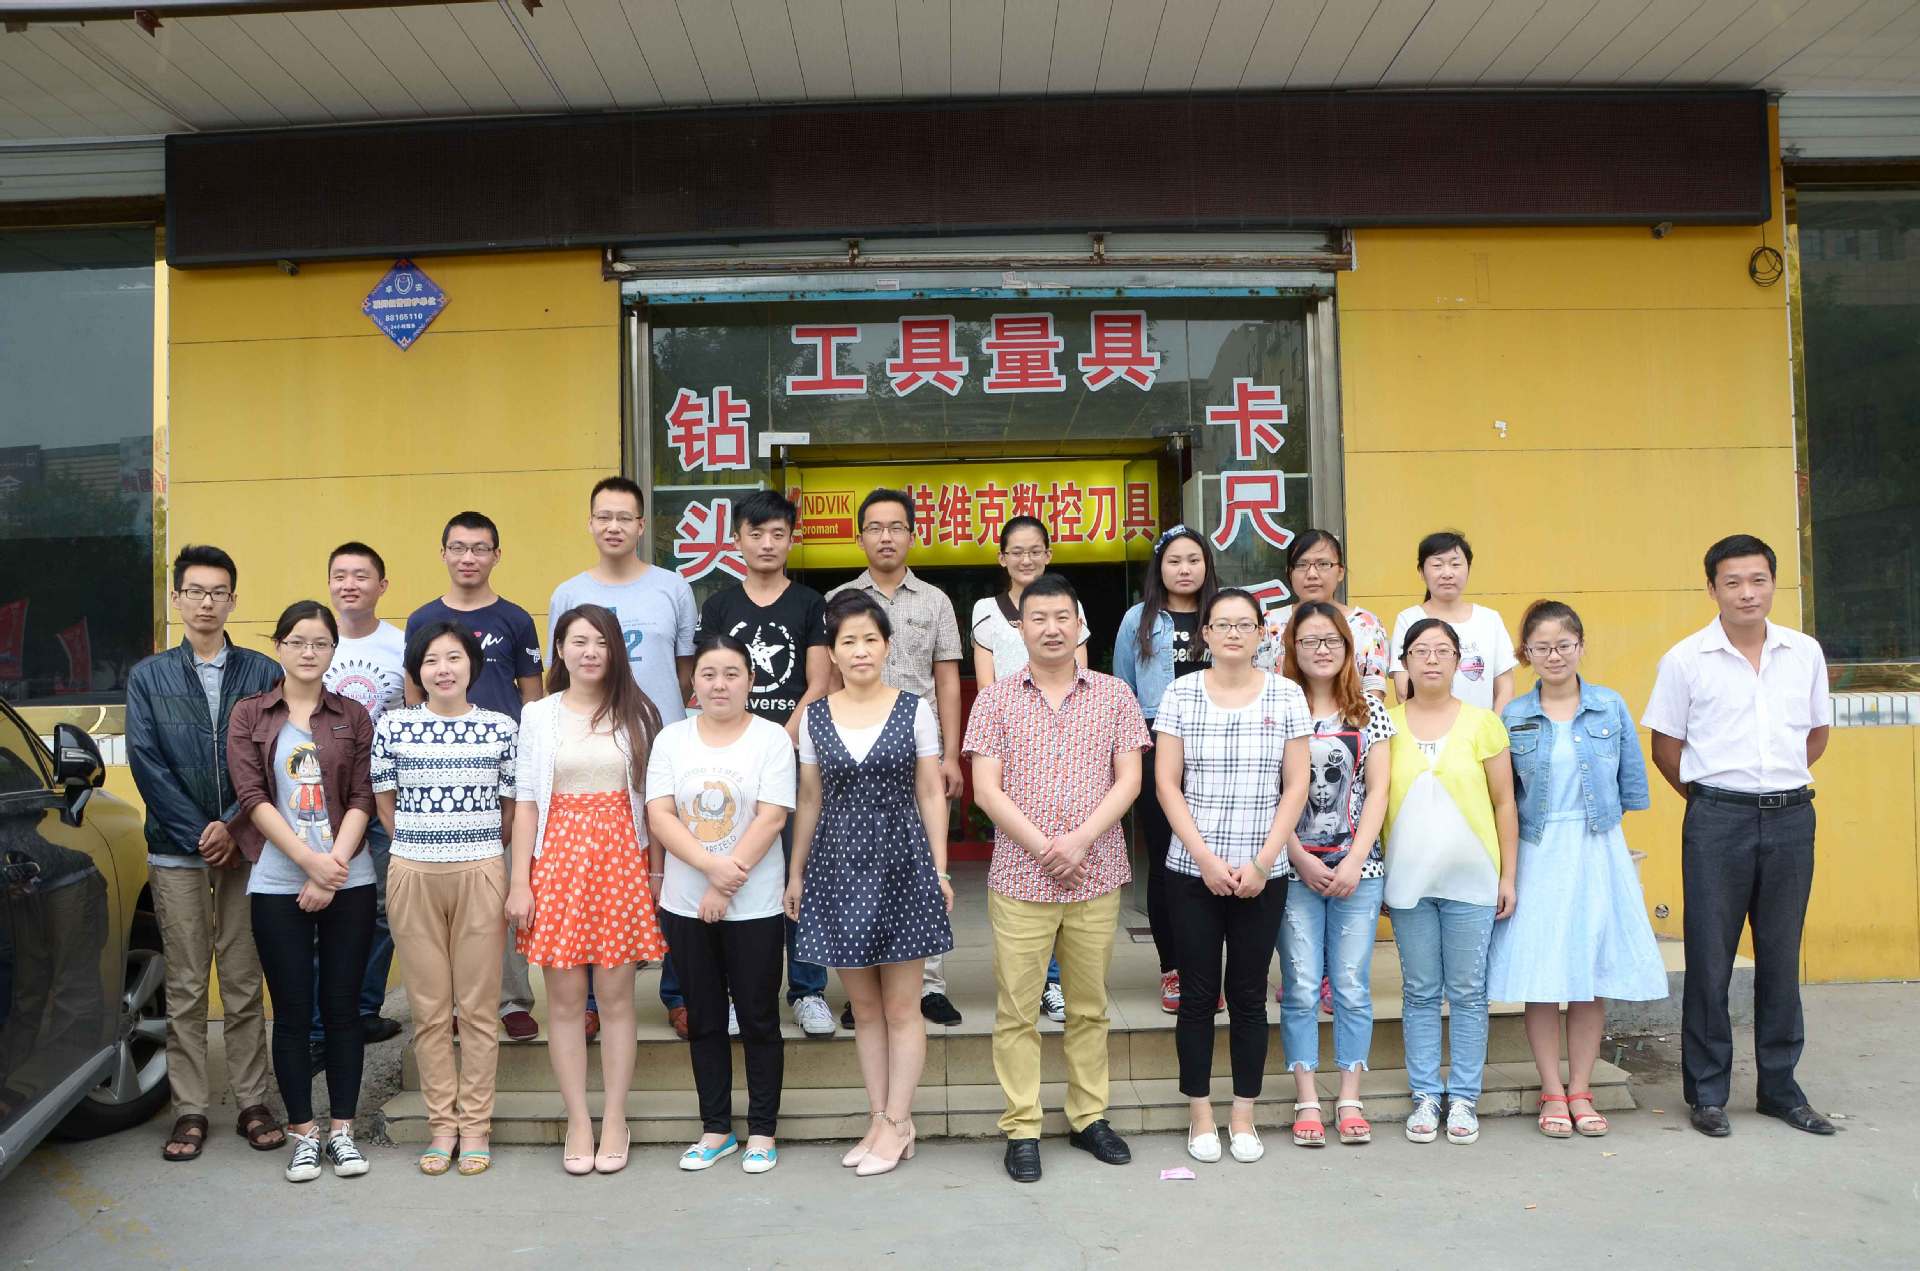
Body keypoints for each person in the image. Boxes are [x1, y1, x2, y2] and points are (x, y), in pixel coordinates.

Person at [1643, 534, 1835, 1139]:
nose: (1747, 593)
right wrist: (1714, 799)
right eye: (1733, 582)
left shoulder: (1804, 653)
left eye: (1758, 580)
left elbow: (1817, 735)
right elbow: (1666, 747)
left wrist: (1771, 788)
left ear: (1773, 583)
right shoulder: (1685, 660)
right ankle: (1706, 1093)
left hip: (1790, 818)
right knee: (1709, 958)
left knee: (1781, 955)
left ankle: (1780, 1089)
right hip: (1716, 821)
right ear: (1712, 589)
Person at [964, 573, 1147, 1183]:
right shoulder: (995, 700)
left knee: (1089, 1008)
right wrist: (1046, 848)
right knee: (1017, 1011)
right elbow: (986, 790)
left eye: (1062, 617)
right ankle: (1022, 1127)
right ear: (1019, 628)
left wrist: (1080, 841)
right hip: (1022, 877)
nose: (1051, 628)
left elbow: (1129, 780)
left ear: (1080, 624)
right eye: (1038, 618)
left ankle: (1088, 1117)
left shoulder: (1115, 695)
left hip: (1096, 874)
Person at [786, 591, 954, 1176]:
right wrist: (796, 873)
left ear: (887, 647)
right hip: (837, 867)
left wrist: (939, 869)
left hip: (902, 862)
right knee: (863, 1006)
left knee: (903, 1006)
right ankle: (880, 1117)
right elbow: (810, 798)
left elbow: (930, 791)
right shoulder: (816, 717)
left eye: (870, 640)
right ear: (832, 652)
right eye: (848, 641)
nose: (860, 650)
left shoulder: (914, 709)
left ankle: (899, 1121)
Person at [125, 544, 283, 1163]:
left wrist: (234, 825)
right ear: (177, 598)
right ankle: (188, 1108)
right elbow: (146, 762)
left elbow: (270, 757)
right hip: (176, 851)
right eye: (195, 591)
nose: (206, 603)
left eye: (218, 592)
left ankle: (252, 1101)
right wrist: (200, 831)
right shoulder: (149, 676)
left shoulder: (262, 672)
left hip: (246, 849)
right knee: (187, 984)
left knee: (243, 980)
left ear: (233, 600)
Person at [1490, 601, 1667, 1140]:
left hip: (1596, 848)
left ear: (1581, 646)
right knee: (1542, 974)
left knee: (1591, 975)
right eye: (1541, 647)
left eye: (1564, 645)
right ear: (1526, 653)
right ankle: (1551, 1089)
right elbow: (1503, 797)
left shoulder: (1609, 706)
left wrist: (1606, 837)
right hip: (1538, 849)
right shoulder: (1513, 716)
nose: (1554, 656)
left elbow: (1630, 785)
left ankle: (1582, 1089)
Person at [1153, 588, 1312, 1165]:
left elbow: (1296, 785)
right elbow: (1167, 783)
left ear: (1261, 633)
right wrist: (1204, 859)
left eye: (1245, 625)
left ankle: (1243, 1116)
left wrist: (1265, 861)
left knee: (1248, 995)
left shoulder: (1287, 694)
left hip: (1262, 873)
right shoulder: (1181, 693)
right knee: (1198, 995)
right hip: (1192, 872)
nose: (1233, 634)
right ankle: (1200, 1116)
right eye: (1222, 625)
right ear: (1206, 633)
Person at [507, 604, 666, 1175]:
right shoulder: (538, 715)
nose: (590, 651)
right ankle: (578, 1119)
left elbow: (655, 802)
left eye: (600, 641)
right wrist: (520, 880)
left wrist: (656, 875)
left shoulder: (639, 712)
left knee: (618, 1001)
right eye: (578, 641)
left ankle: (615, 1118)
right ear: (560, 649)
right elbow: (527, 801)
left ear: (615, 648)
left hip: (622, 861)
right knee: (567, 1003)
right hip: (558, 864)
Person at [226, 601, 378, 1183]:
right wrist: (309, 864)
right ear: (279, 647)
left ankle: (342, 1132)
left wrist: (332, 866)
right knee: (291, 1012)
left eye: (320, 643)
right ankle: (303, 1134)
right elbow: (252, 797)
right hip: (277, 880)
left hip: (349, 876)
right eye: (297, 641)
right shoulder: (251, 714)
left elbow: (363, 796)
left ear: (333, 651)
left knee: (342, 1008)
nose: (308, 652)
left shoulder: (352, 715)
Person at [548, 476, 698, 1038]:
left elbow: (685, 671)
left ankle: (678, 992)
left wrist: (656, 723)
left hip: (663, 745)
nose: (613, 526)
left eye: (624, 517)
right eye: (603, 516)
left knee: (673, 865)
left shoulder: (672, 588)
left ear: (641, 526)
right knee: (594, 873)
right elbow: (559, 672)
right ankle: (590, 999)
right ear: (590, 523)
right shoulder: (568, 592)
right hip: (593, 750)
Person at [646, 636, 797, 1174]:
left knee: (758, 1018)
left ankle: (762, 1131)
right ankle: (716, 1129)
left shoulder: (771, 738)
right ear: (694, 682)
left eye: (732, 674)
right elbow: (660, 814)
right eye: (709, 673)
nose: (719, 684)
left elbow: (772, 816)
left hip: (754, 906)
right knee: (705, 1017)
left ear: (750, 681)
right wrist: (710, 870)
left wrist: (724, 885)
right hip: (685, 904)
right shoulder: (672, 739)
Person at [373, 621, 518, 1176]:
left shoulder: (500, 728)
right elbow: (385, 802)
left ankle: (475, 1126)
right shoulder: (394, 726)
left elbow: (509, 808)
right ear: (418, 670)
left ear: (471, 666)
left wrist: (477, 849)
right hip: (413, 872)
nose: (443, 669)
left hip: (481, 871)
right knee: (430, 1010)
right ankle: (441, 1126)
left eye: (454, 657)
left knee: (478, 1010)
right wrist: (418, 845)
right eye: (431, 660)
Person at [698, 489, 835, 1038]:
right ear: (738, 540)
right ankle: (738, 994)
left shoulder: (809, 603)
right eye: (756, 534)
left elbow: (819, 683)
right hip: (731, 759)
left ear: (791, 539)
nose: (767, 543)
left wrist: (777, 740)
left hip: (795, 755)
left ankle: (807, 989)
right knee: (736, 868)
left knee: (801, 869)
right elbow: (710, 677)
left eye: (778, 533)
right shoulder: (719, 605)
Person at [827, 488, 965, 1026]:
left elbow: (946, 680)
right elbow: (829, 681)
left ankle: (929, 985)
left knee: (926, 866)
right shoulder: (838, 599)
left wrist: (950, 754)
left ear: (912, 535)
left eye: (896, 527)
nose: (886, 537)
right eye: (875, 528)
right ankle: (863, 984)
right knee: (860, 871)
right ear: (859, 536)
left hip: (918, 751)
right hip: (858, 752)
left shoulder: (935, 601)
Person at [405, 511, 545, 1043]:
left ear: (496, 555)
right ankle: (453, 1005)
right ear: (443, 552)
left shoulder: (515, 619)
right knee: (445, 905)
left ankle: (512, 1000)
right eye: (459, 547)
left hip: (501, 776)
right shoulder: (422, 619)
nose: (469, 558)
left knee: (506, 890)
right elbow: (413, 696)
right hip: (438, 782)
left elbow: (533, 699)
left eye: (480, 548)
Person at [1383, 618, 1518, 1146]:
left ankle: (1463, 1096)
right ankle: (1425, 1095)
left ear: (1460, 661)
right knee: (1419, 992)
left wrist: (1509, 875)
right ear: (1404, 663)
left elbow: (1505, 803)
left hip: (1473, 879)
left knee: (1467, 991)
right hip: (1408, 880)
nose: (1432, 659)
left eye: (1443, 650)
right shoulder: (1386, 724)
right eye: (1420, 651)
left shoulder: (1484, 724)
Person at [1275, 601, 1395, 1148]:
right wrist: (1297, 855)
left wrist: (1353, 860)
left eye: (1331, 640)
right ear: (1292, 649)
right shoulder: (1278, 707)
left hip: (1358, 871)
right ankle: (1305, 1097)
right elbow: (1271, 792)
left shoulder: (1370, 711)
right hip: (1292, 868)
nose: (1321, 650)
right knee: (1301, 985)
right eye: (1309, 640)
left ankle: (1349, 1097)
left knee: (1350, 984)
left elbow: (1378, 793)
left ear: (1349, 648)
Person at [970, 515, 1090, 1023]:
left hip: (1067, 745)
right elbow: (987, 686)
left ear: (1048, 554)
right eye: (1016, 551)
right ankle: (1032, 978)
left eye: (1035, 550)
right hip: (1011, 744)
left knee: (1066, 859)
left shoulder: (1070, 605)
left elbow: (1083, 677)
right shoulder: (985, 610)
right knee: (1023, 861)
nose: (1026, 558)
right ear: (1002, 558)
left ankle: (1055, 981)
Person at [1112, 525, 1218, 1016]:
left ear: (1206, 564)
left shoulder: (1223, 613)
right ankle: (1173, 968)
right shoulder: (1137, 619)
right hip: (1157, 746)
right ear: (1160, 568)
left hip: (1220, 747)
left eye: (1193, 559)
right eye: (1174, 561)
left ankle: (1207, 971)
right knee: (1166, 860)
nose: (1184, 569)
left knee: (1216, 857)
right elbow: (1123, 691)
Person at [320, 542, 405, 1052]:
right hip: (320, 796)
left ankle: (363, 1010)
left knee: (381, 905)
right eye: (340, 575)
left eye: (360, 575)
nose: (349, 584)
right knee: (320, 899)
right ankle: (324, 1015)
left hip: (383, 794)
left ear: (381, 585)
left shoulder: (401, 645)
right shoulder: (315, 640)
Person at [1254, 529, 1391, 698]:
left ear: (1340, 572)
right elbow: (1255, 682)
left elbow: (1374, 688)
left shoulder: (1366, 624)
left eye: (1323, 564)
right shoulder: (1268, 623)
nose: (1312, 574)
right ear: (1289, 572)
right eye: (1301, 565)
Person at [1389, 531, 1516, 712]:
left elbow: (1505, 689)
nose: (1447, 573)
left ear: (1468, 569)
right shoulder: (1408, 619)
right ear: (1421, 572)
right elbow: (1403, 691)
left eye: (1455, 564)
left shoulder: (1490, 619)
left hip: (1483, 728)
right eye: (1437, 565)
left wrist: (1492, 726)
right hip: (1426, 726)